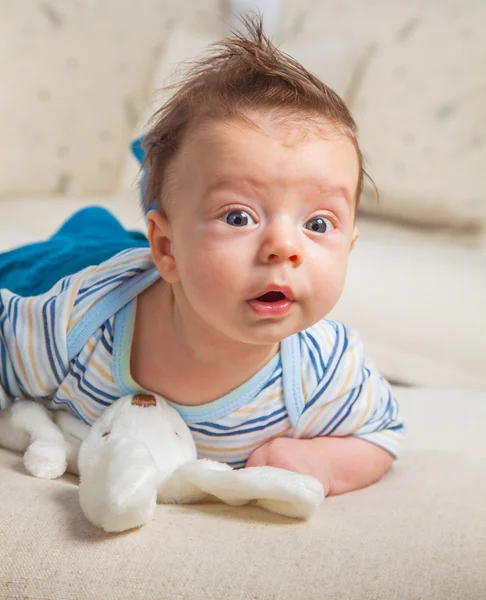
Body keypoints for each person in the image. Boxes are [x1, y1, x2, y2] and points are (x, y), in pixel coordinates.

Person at [0, 18, 403, 497]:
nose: (285, 247)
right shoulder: (75, 326)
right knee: (75, 245)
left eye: (317, 224)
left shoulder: (322, 369)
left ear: (349, 246)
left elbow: (381, 433)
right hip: (102, 269)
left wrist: (324, 462)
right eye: (238, 217)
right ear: (167, 247)